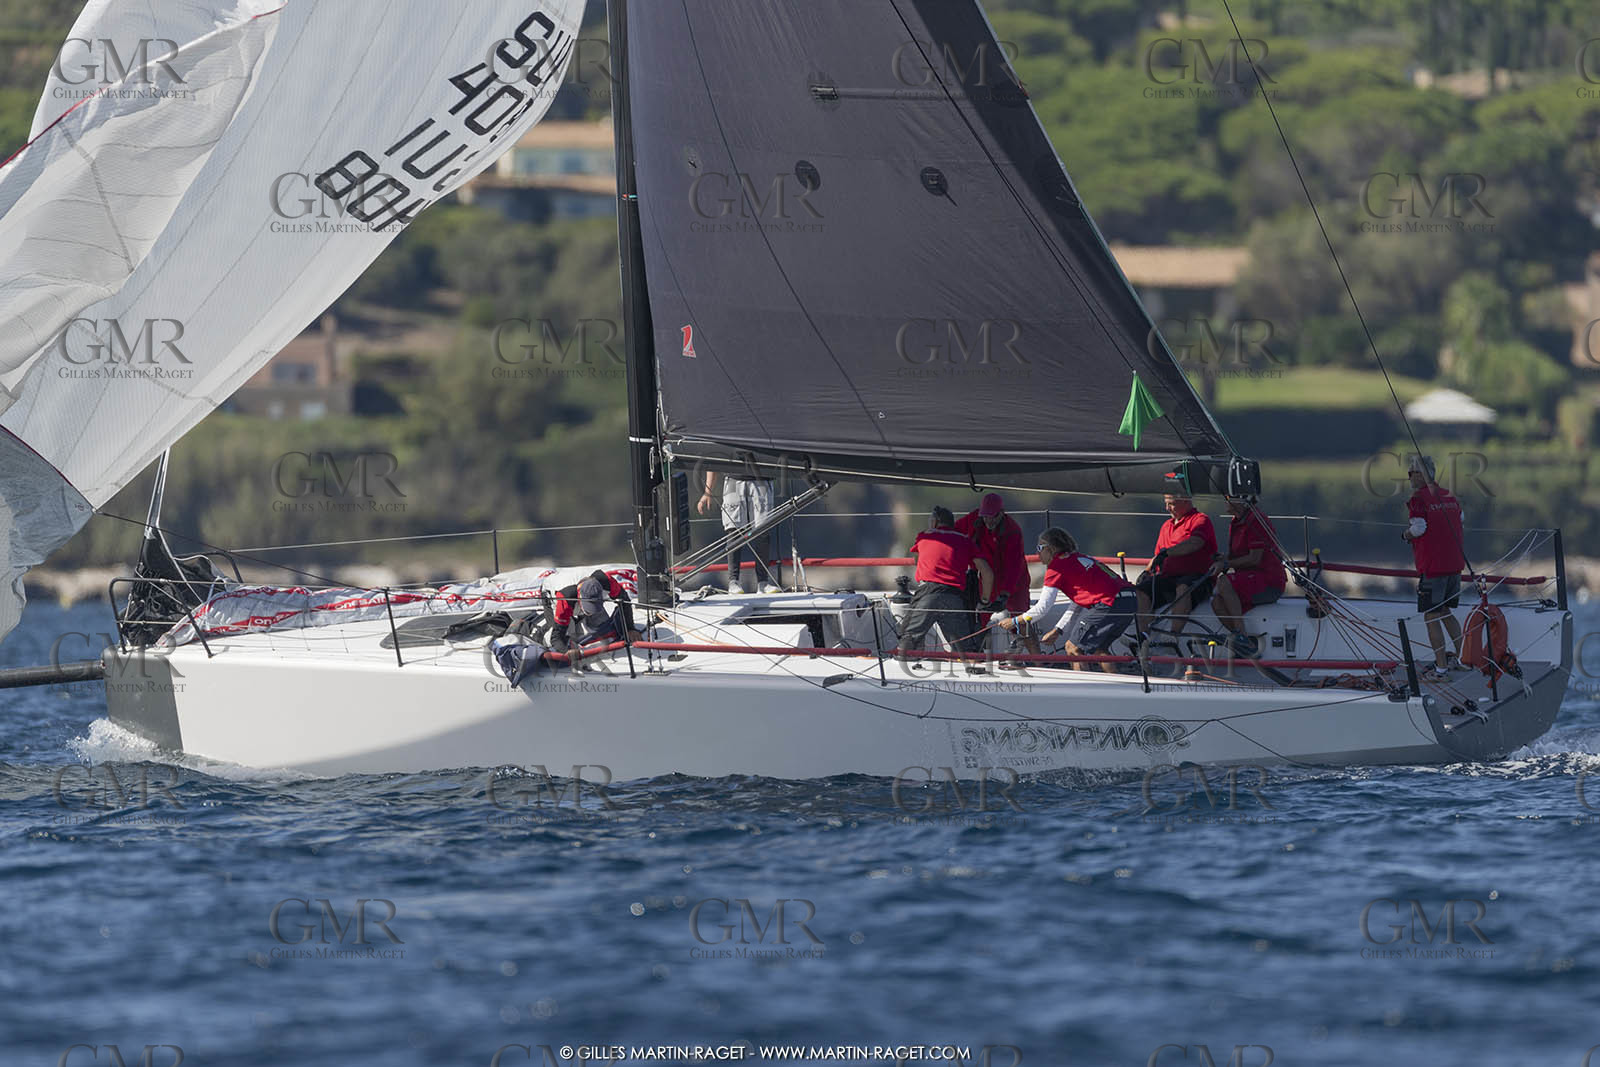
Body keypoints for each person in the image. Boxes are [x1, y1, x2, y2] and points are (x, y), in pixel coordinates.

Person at [994, 527, 1137, 673]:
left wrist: (1015, 621)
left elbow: (1043, 607)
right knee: (1099, 649)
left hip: (1109, 602)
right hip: (1130, 599)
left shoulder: (1056, 568)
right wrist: (1058, 630)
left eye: (1040, 548)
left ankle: (1080, 685)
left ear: (1052, 548)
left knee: (1073, 648)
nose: (1037, 553)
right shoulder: (1078, 558)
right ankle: (1115, 684)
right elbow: (1076, 604)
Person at [896, 507, 993, 658]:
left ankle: (906, 663)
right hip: (955, 596)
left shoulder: (925, 536)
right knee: (965, 649)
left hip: (927, 593)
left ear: (935, 522)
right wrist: (985, 600)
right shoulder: (965, 540)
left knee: (908, 639)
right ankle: (972, 669)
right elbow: (987, 572)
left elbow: (917, 559)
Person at [1402, 454, 1466, 680]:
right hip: (1454, 566)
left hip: (1433, 567)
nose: (1409, 477)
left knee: (1431, 616)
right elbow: (1461, 518)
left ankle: (1441, 670)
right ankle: (1464, 659)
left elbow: (1419, 528)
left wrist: (1405, 535)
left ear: (1421, 475)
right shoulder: (1449, 495)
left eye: (1411, 472)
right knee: (1446, 611)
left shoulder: (1418, 498)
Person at [1208, 495, 1287, 657]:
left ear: (1242, 501)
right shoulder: (1236, 522)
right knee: (1217, 602)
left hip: (1269, 581)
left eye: (1229, 497)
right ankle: (1244, 644)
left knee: (1223, 581)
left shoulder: (1255, 520)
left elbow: (1254, 558)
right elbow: (1238, 556)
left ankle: (1241, 637)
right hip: (1250, 579)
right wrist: (1223, 559)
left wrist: (1226, 564)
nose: (1225, 501)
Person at [1133, 492, 1217, 639]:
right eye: (1166, 503)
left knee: (1183, 587)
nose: (1167, 508)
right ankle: (1143, 635)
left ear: (1185, 501)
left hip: (1198, 577)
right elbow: (1158, 555)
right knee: (1141, 590)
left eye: (1171, 503)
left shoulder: (1200, 520)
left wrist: (1168, 553)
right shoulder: (1166, 526)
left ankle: (1173, 635)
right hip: (1169, 577)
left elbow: (1195, 543)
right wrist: (1146, 572)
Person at [698, 471, 781, 594]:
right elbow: (712, 461)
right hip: (733, 479)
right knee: (734, 531)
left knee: (763, 532)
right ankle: (733, 582)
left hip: (762, 479)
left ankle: (763, 583)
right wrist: (707, 492)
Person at [955, 492, 1030, 619]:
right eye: (985, 516)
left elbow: (1014, 567)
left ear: (1002, 513)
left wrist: (1005, 594)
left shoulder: (1013, 532)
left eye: (993, 516)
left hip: (1015, 582)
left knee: (1020, 619)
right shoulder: (974, 519)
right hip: (986, 580)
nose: (989, 521)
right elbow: (952, 531)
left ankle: (1025, 632)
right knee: (980, 621)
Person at [547, 570, 633, 656]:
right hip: (553, 597)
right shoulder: (565, 599)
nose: (591, 613)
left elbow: (625, 601)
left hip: (576, 599)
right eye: (589, 608)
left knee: (603, 627)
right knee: (567, 639)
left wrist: (630, 628)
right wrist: (566, 651)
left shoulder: (607, 582)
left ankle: (584, 620)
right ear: (580, 596)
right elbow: (556, 637)